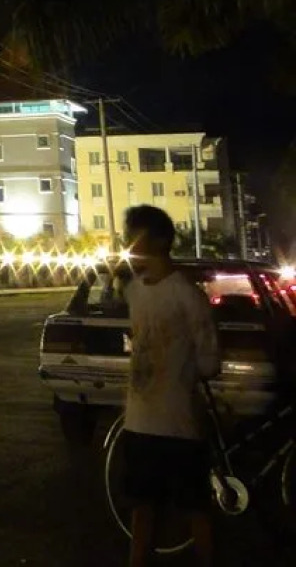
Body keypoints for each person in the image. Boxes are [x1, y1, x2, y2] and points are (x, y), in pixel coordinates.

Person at [122, 204, 221, 567]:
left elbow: (211, 361)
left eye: (136, 237)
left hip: (176, 425)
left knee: (190, 510)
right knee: (150, 511)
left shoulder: (185, 294)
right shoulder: (136, 292)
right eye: (127, 238)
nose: (130, 246)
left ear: (161, 240)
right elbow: (208, 361)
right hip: (142, 421)